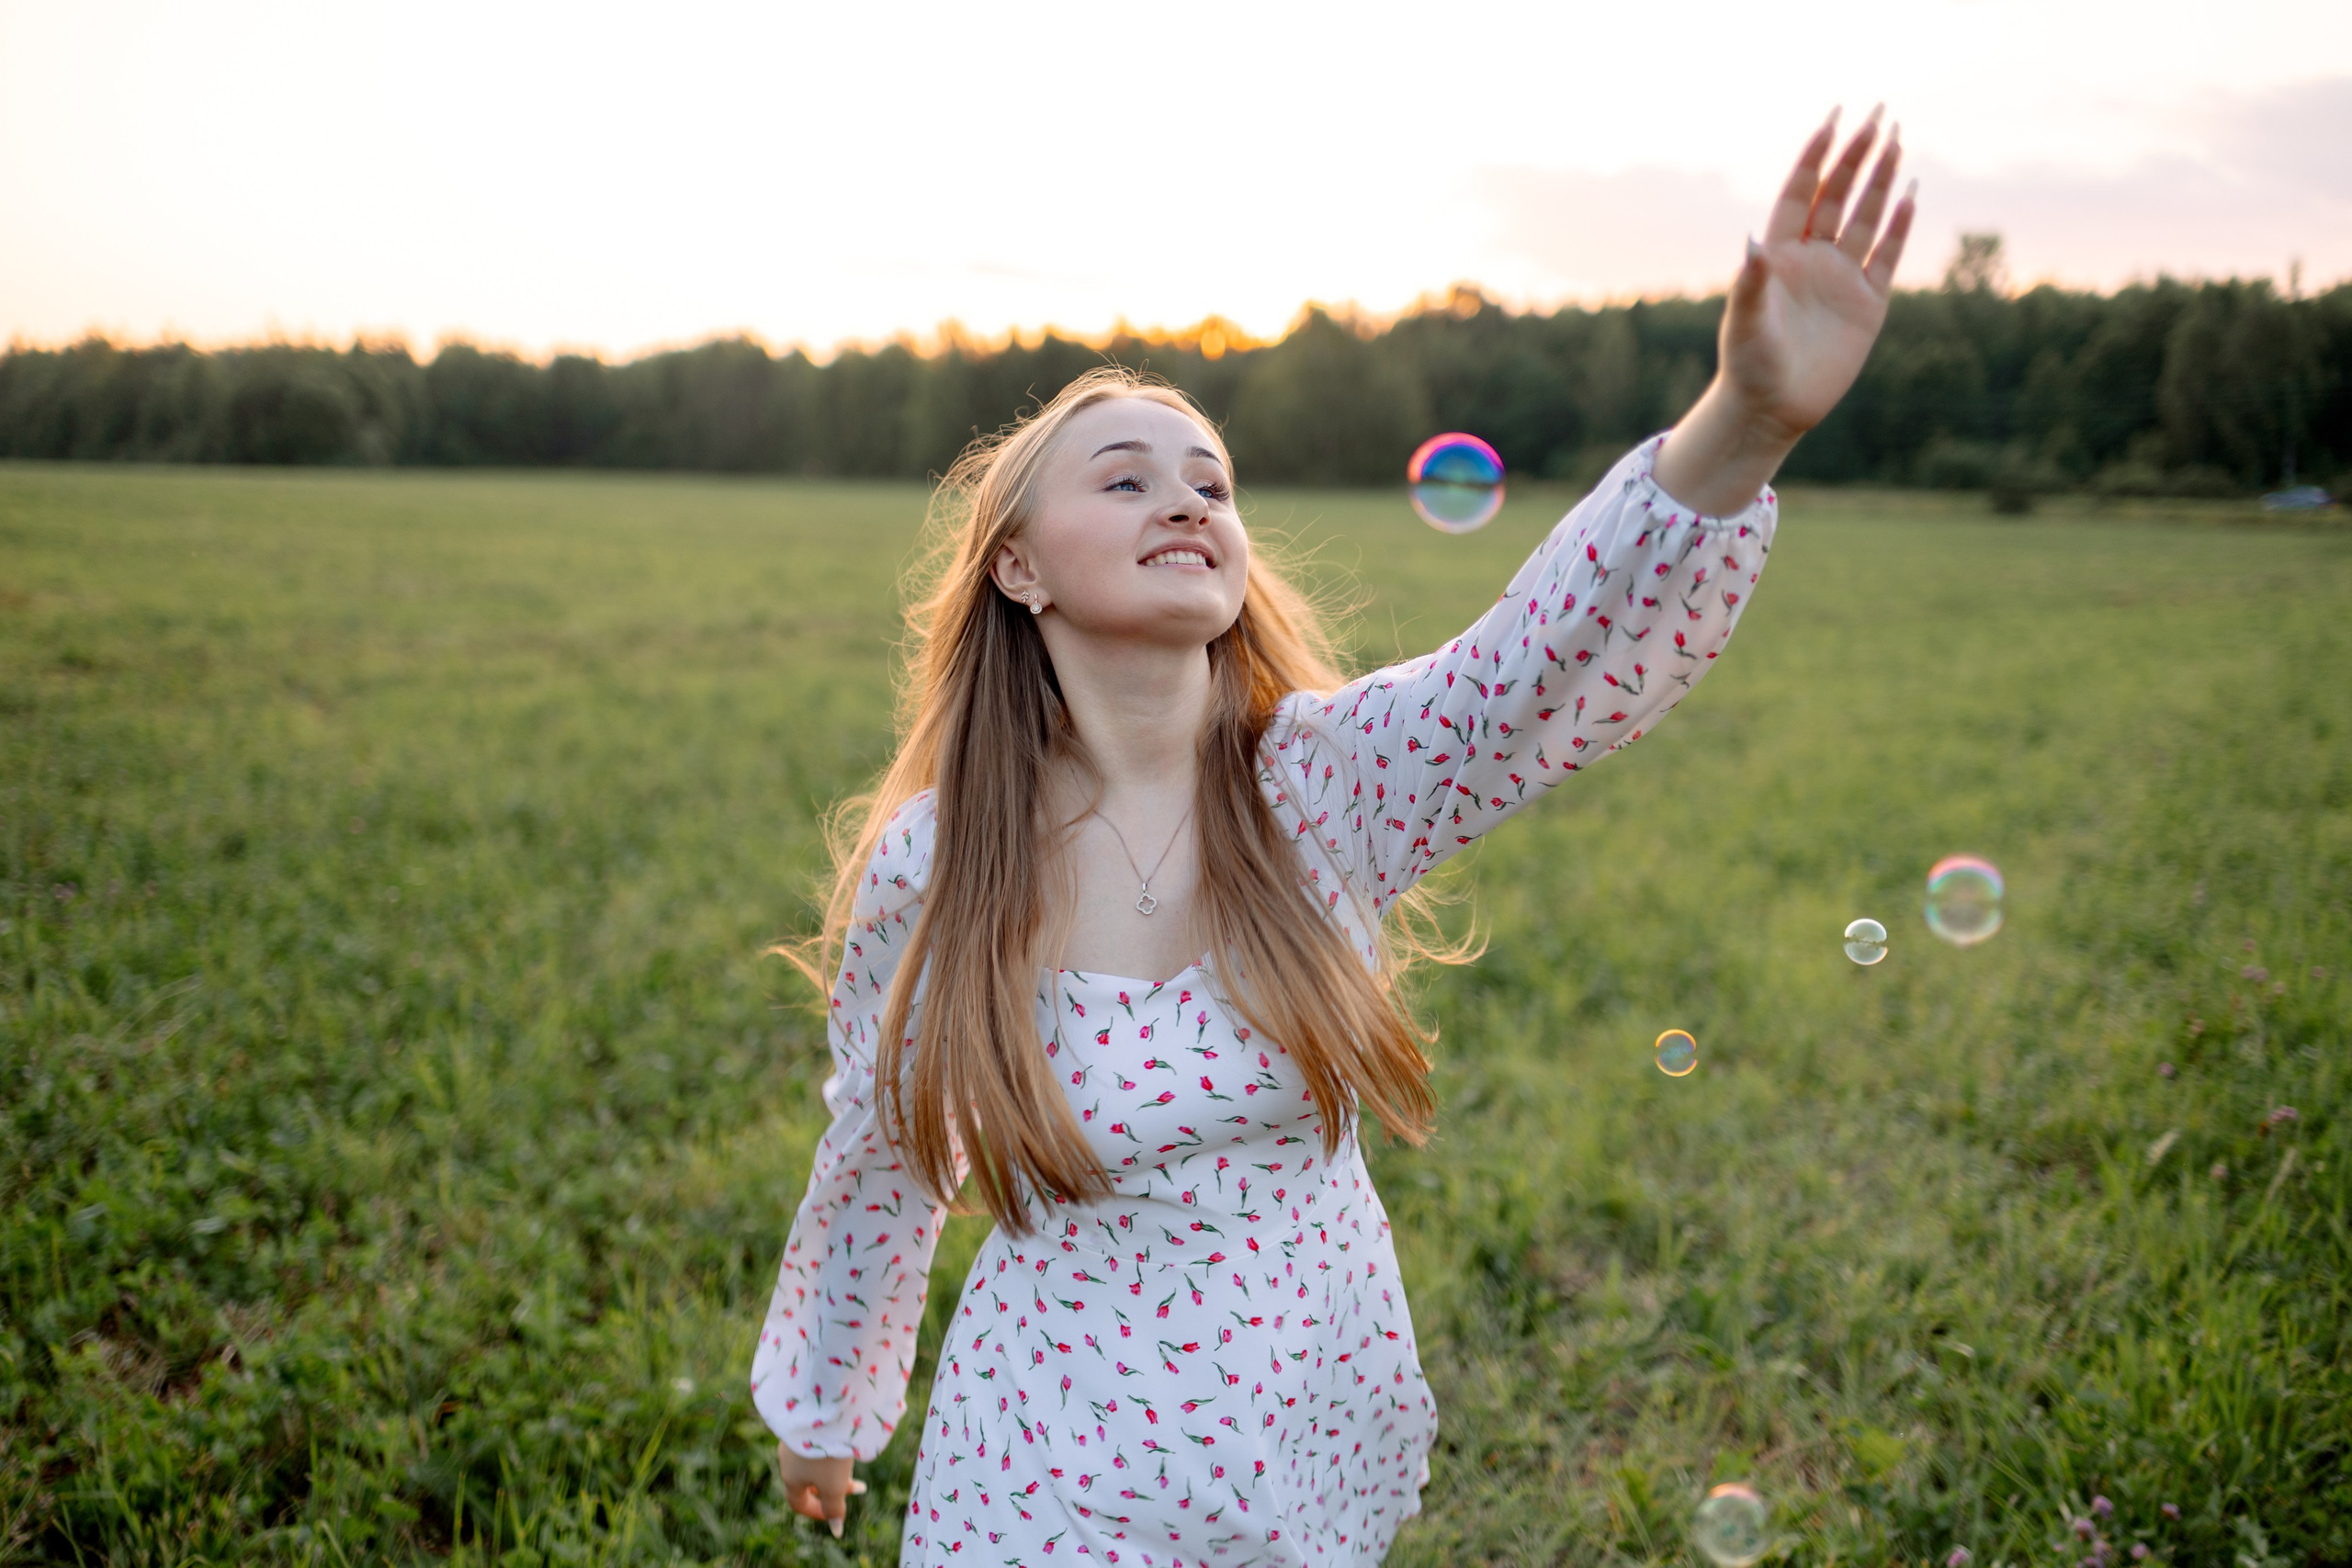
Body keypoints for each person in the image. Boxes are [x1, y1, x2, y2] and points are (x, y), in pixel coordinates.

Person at [751, 107, 1915, 1566]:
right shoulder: (945, 856)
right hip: (1044, 1465)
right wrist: (825, 1409)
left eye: (1210, 480)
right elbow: (878, 1149)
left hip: (1295, 1441)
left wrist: (1748, 416)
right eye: (1126, 477)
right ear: (1019, 566)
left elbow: (1532, 661)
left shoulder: (1323, 784)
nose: (1186, 494)